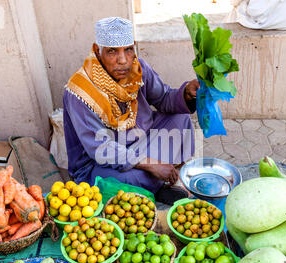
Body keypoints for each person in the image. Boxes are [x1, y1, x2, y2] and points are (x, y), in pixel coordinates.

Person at [63, 17, 200, 205]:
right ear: (97, 51)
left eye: (128, 49)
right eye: (112, 51)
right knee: (131, 179)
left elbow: (164, 98)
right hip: (100, 163)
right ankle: (157, 184)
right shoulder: (80, 92)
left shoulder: (138, 68)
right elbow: (101, 149)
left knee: (181, 119)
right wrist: (151, 164)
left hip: (139, 141)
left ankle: (158, 180)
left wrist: (186, 93)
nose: (123, 60)